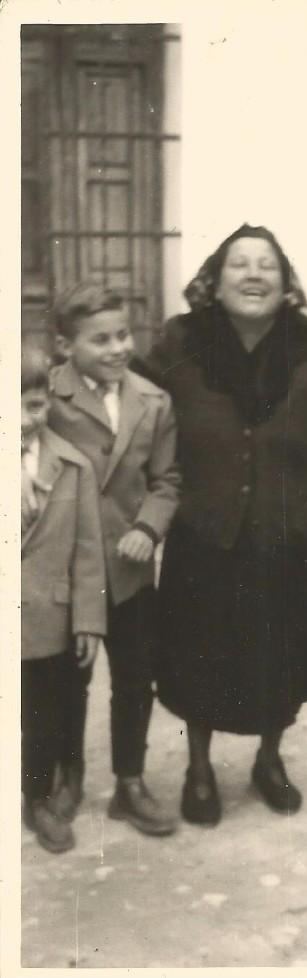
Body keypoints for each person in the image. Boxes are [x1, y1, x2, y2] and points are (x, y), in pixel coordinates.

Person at [144, 224, 307, 825]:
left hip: (287, 534)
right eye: (239, 265)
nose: (253, 275)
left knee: (280, 658)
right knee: (198, 655)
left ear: (286, 284)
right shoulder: (180, 339)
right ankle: (198, 768)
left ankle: (269, 761)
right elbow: (135, 411)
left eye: (267, 266)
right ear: (214, 280)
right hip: (203, 529)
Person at [48, 283, 181, 836]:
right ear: (65, 347)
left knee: (133, 678)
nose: (117, 348)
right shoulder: (45, 397)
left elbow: (168, 480)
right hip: (68, 572)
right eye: (99, 339)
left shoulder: (153, 401)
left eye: (123, 335)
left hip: (127, 572)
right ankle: (66, 776)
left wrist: (148, 526)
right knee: (66, 681)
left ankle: (129, 781)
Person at [21, 345, 107, 853]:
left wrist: (89, 620)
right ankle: (35, 793)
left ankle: (48, 790)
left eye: (36, 404)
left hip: (56, 613)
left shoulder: (72, 466)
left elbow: (89, 552)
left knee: (51, 707)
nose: (28, 419)